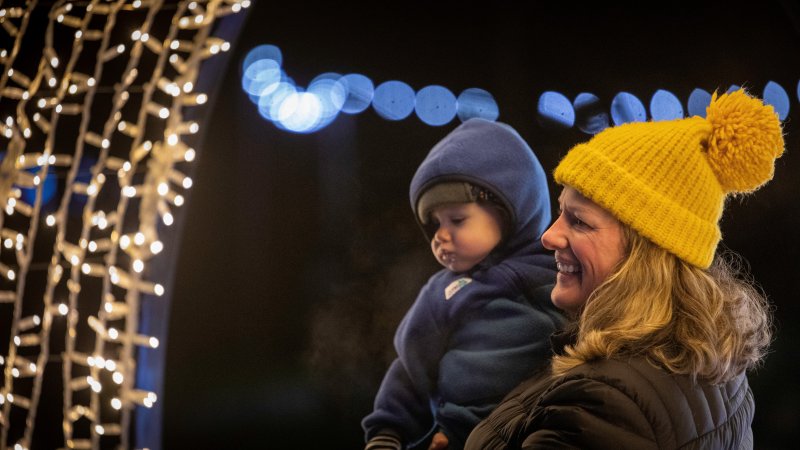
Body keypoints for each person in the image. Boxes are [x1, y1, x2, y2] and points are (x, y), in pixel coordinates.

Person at [464, 88, 784, 449]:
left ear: (646, 254)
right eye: (559, 213)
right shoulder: (712, 362)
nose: (549, 237)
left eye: (579, 222)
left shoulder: (602, 403)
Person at [362, 118, 567, 450]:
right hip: (459, 438)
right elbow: (411, 369)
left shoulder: (562, 272)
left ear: (508, 208)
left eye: (457, 220)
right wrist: (388, 433)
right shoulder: (443, 292)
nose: (441, 236)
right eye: (434, 224)